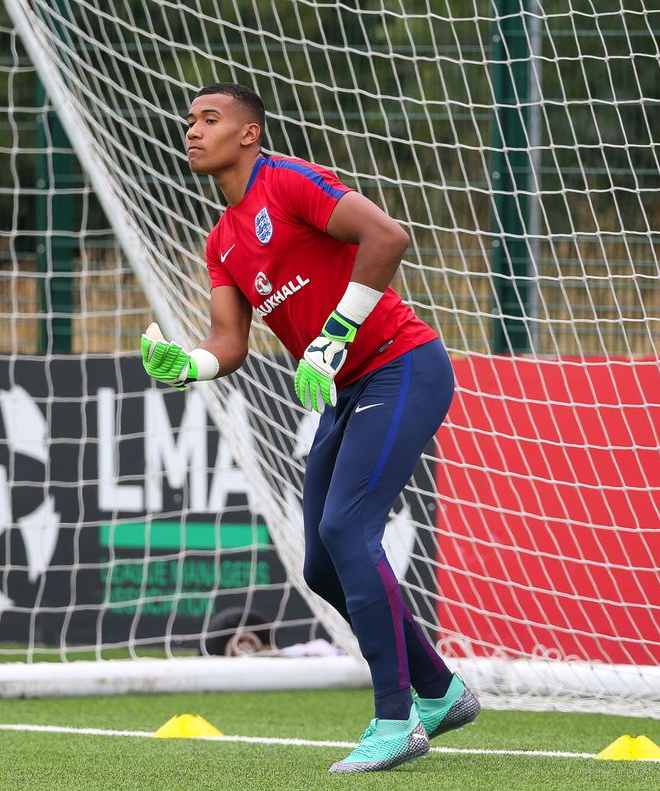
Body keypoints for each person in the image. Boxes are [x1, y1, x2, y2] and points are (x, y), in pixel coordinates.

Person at [140, 82, 480, 772]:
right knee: (323, 562)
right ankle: (441, 691)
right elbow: (229, 341)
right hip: (344, 388)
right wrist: (189, 363)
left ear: (249, 134)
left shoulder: (289, 182)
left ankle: (396, 716)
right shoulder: (221, 241)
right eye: (189, 121)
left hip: (402, 364)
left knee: (345, 527)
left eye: (210, 119)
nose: (193, 131)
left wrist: (333, 335)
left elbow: (388, 236)